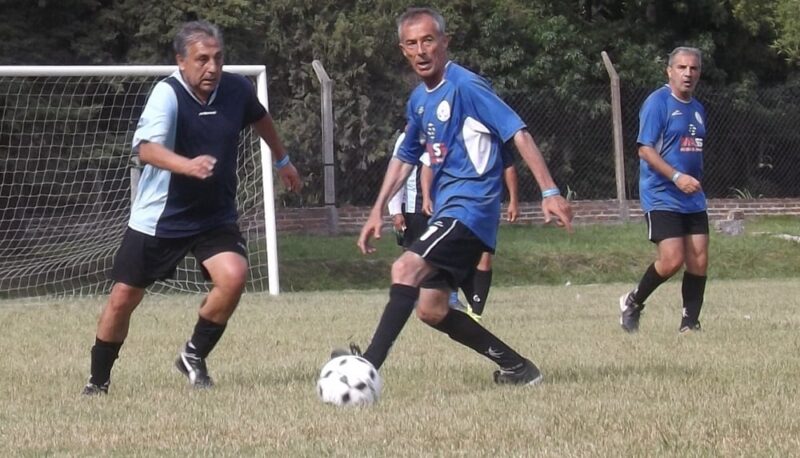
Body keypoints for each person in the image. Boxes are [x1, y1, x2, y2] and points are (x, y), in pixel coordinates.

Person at [345, 7, 572, 386]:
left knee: (404, 268)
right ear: (403, 49)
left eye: (429, 41)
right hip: (448, 212)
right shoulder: (419, 99)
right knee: (432, 310)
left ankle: (366, 369)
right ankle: (518, 368)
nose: (421, 51)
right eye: (412, 44)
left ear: (445, 43)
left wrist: (549, 190)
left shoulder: (466, 86)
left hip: (471, 209)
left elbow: (518, 132)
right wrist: (377, 212)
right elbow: (405, 158)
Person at [81, 20, 303, 395]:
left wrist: (283, 161)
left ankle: (193, 354)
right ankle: (98, 382)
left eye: (218, 58)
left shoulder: (236, 89)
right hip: (160, 218)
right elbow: (145, 149)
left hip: (214, 216)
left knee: (233, 277)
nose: (212, 68)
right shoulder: (166, 95)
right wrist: (188, 165)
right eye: (202, 59)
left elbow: (260, 117)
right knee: (123, 298)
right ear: (181, 61)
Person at [619, 46, 707, 334]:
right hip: (661, 194)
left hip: (691, 196)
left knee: (699, 259)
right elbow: (645, 150)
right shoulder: (658, 103)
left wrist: (692, 179)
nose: (688, 73)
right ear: (669, 71)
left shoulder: (697, 108)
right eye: (681, 67)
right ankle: (633, 302)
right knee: (672, 260)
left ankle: (689, 324)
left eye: (693, 68)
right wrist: (677, 176)